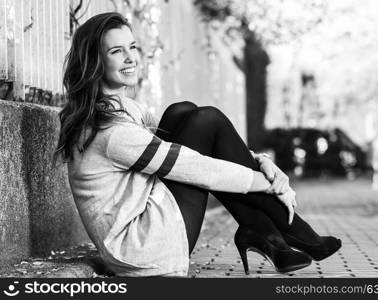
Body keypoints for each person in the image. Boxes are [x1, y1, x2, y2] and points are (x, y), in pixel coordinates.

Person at [54, 12, 341, 277]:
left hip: (145, 227)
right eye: (117, 51)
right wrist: (266, 183)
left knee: (182, 111)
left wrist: (261, 161)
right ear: (95, 61)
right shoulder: (111, 131)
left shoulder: (123, 109)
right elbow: (196, 167)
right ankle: (284, 228)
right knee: (207, 120)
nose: (130, 58)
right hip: (147, 250)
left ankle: (267, 231)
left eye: (132, 47)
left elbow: (210, 148)